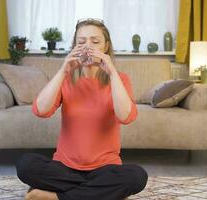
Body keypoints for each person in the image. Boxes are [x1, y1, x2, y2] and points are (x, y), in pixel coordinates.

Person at [16, 18, 148, 200]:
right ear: (74, 47)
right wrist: (63, 71)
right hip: (64, 168)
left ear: (106, 47)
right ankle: (102, 194)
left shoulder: (120, 79)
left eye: (95, 42)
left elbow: (126, 116)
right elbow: (41, 110)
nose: (88, 46)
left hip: (104, 168)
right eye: (81, 42)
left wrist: (111, 72)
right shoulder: (66, 78)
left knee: (136, 176)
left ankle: (55, 197)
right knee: (26, 165)